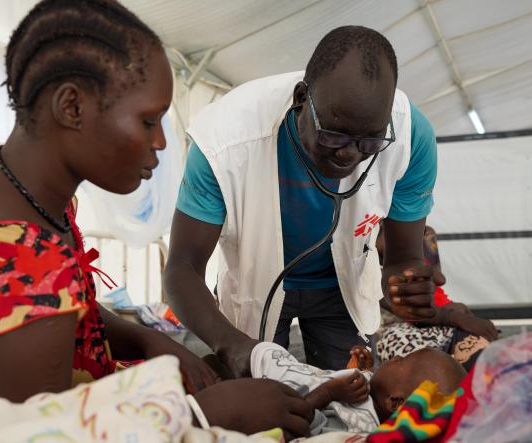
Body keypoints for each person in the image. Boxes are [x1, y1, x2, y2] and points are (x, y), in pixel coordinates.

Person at [0, 0, 311, 437]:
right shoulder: (23, 264)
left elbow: (60, 308)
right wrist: (201, 413)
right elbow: (21, 434)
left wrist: (146, 339)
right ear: (71, 107)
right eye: (148, 120)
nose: (159, 142)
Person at [165, 26, 440, 377]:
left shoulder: (411, 137)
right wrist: (230, 345)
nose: (349, 154)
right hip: (256, 288)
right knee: (262, 410)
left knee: (353, 399)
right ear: (300, 98)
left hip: (342, 289)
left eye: (369, 142)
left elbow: (403, 259)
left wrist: (405, 286)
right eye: (333, 135)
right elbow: (182, 267)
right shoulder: (224, 141)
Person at [251, 341, 466, 435]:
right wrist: (361, 372)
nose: (395, 357)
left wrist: (329, 392)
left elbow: (298, 418)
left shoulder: (357, 425)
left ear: (395, 402)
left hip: (263, 390)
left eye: (402, 360)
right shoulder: (376, 402)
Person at [375, 226, 498, 370]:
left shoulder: (425, 235)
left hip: (436, 316)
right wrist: (455, 317)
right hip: (395, 331)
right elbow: (406, 310)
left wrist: (456, 312)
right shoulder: (360, 251)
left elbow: (436, 289)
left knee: (483, 344)